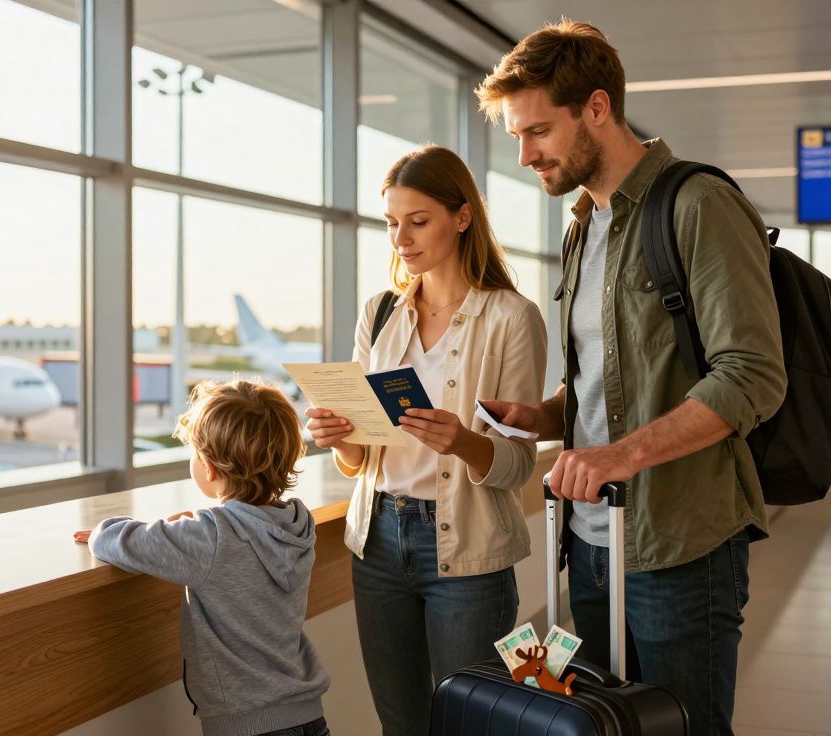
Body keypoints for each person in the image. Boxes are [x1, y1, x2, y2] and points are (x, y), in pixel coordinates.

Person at [474, 20, 786, 736]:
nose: (524, 156)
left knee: (684, 728)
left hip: (679, 544)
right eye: (516, 136)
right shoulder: (584, 225)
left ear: (597, 107)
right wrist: (546, 416)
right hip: (587, 542)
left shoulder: (698, 204)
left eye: (538, 132)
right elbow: (620, 379)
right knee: (609, 726)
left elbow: (752, 375)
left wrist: (618, 457)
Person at [304, 145, 546, 736]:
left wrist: (463, 441)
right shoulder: (381, 311)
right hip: (379, 540)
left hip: (467, 546)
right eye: (391, 224)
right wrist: (338, 435)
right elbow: (361, 457)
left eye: (417, 221)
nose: (400, 239)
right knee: (401, 723)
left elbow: (518, 463)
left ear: (462, 217)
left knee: (469, 725)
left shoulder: (512, 317)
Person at [76, 379, 331, 736]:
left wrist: (106, 528)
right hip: (308, 717)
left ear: (209, 468)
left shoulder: (211, 535)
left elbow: (118, 542)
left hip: (248, 726)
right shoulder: (298, 524)